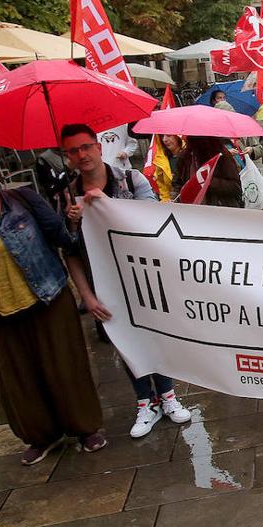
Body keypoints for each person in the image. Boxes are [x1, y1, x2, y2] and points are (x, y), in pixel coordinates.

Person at [0, 150, 107, 465]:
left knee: (65, 367)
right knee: (19, 377)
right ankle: (41, 435)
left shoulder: (23, 199)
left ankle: (85, 427)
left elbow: (62, 238)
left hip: (47, 298)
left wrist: (73, 221)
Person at [59, 124, 192, 439]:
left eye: (86, 147)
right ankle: (145, 401)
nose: (82, 155)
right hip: (104, 284)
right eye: (73, 151)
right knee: (125, 341)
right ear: (68, 157)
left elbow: (150, 223)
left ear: (97, 146)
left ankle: (168, 395)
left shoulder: (131, 180)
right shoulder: (65, 197)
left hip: (143, 276)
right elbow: (70, 251)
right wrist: (86, 295)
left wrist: (104, 202)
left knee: (155, 335)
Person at [172, 136, 244, 207]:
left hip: (218, 211)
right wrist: (174, 199)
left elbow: (235, 187)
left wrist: (209, 182)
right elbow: (178, 184)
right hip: (192, 211)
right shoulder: (185, 156)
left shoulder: (222, 154)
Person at [154, 134, 184, 203]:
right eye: (162, 136)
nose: (164, 140)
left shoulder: (189, 156)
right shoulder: (160, 160)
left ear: (178, 137)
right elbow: (162, 186)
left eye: (169, 135)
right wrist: (165, 201)